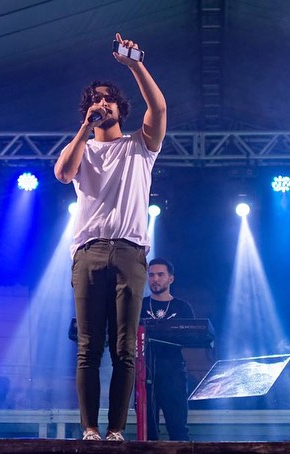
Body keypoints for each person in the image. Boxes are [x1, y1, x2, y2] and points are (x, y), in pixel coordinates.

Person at [54, 32, 167, 441]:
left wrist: (135, 65)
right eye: (95, 101)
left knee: (124, 349)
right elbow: (63, 173)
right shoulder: (82, 149)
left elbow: (159, 107)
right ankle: (89, 429)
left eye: (108, 100)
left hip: (130, 252)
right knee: (88, 347)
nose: (102, 105)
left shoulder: (141, 145)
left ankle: (116, 430)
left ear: (120, 107)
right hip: (88, 252)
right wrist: (84, 129)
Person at [141, 258, 194, 441]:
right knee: (147, 432)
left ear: (171, 279)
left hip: (173, 372)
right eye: (151, 275)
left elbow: (193, 336)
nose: (155, 279)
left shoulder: (182, 307)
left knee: (178, 429)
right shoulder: (139, 305)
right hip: (144, 373)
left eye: (160, 275)